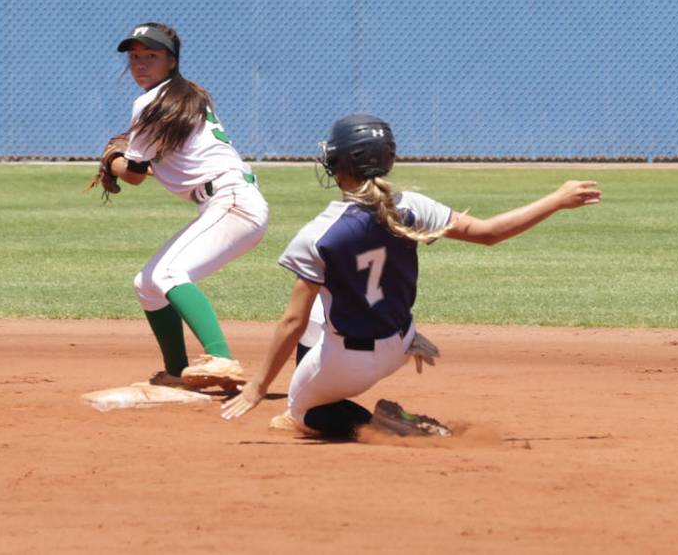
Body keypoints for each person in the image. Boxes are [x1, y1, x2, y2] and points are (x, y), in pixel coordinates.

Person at [221, 113, 601, 438]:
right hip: (400, 342)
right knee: (323, 308)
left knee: (302, 413)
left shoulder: (319, 234)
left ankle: (381, 424)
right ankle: (403, 341)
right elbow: (489, 233)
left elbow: (291, 321)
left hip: (350, 365)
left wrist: (257, 387)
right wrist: (557, 199)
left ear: (339, 165)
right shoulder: (410, 207)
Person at [108, 22, 269, 390]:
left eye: (151, 56)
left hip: (230, 201)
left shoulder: (152, 102)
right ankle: (177, 371)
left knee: (169, 275)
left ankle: (222, 358)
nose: (140, 64)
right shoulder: (187, 96)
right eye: (134, 56)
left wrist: (110, 163)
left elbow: (133, 175)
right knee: (147, 284)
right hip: (229, 202)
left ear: (171, 61)